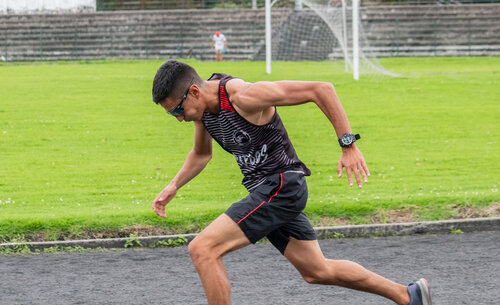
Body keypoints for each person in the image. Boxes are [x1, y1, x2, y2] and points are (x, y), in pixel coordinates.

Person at [151, 60, 433, 305]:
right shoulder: (204, 112)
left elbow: (321, 89)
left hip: (281, 187)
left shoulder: (243, 96)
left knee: (203, 249)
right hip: (269, 191)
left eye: (177, 111)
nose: (179, 119)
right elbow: (201, 154)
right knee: (317, 271)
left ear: (195, 92)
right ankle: (408, 296)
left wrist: (348, 146)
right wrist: (173, 186)